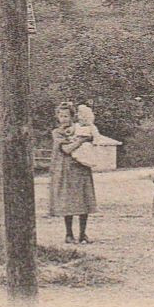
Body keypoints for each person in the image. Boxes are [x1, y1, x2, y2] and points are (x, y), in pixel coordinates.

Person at [49, 101, 98, 244]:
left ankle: (83, 233)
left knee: (84, 199)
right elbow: (67, 149)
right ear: (57, 117)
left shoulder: (79, 128)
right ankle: (69, 234)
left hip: (81, 167)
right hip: (66, 170)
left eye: (66, 116)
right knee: (68, 201)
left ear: (72, 117)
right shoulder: (57, 132)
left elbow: (92, 136)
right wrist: (82, 140)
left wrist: (86, 137)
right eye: (61, 116)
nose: (63, 119)